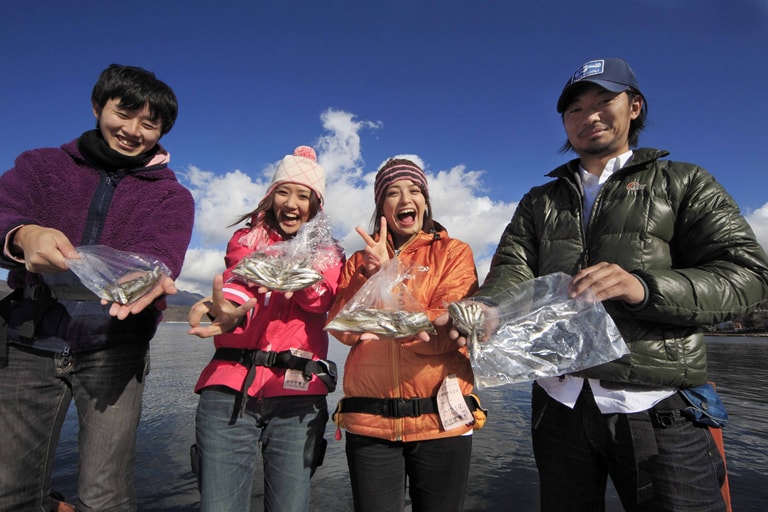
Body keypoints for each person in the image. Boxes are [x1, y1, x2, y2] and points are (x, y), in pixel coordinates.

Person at [443, 57, 768, 511]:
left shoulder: (684, 182)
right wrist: (492, 310)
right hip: (558, 405)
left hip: (659, 407)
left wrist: (643, 287)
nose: (588, 116)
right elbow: (512, 270)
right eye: (575, 109)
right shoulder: (539, 201)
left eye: (603, 101)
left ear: (634, 107)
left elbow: (748, 275)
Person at [0, 64, 194, 511]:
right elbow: (6, 210)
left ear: (163, 131)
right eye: (123, 113)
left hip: (115, 345)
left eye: (150, 124)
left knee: (105, 496)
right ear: (96, 106)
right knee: (10, 490)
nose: (132, 131)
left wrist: (147, 276)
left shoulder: (171, 197)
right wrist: (24, 233)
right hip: (27, 342)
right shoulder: (41, 166)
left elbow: (160, 252)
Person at [188, 146, 344, 512]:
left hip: (299, 393)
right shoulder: (246, 241)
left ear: (315, 205)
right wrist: (224, 309)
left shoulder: (331, 253)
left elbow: (321, 299)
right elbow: (239, 281)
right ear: (270, 197)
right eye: (284, 192)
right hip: (229, 387)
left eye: (303, 195)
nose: (292, 203)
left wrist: (302, 278)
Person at [327, 158, 485, 512]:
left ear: (425, 201)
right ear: (381, 206)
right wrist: (370, 276)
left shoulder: (454, 252)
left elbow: (448, 329)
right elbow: (342, 326)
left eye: (414, 190)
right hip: (369, 424)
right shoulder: (357, 262)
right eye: (392, 193)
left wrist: (390, 277)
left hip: (441, 422)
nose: (404, 199)